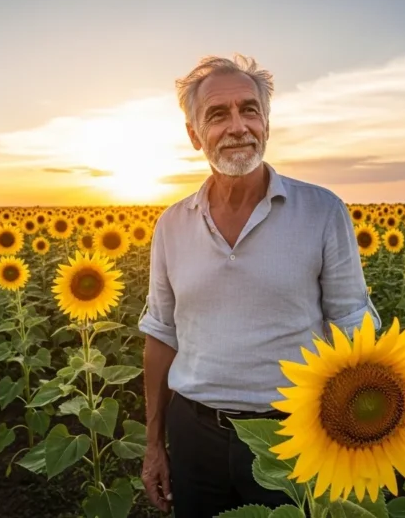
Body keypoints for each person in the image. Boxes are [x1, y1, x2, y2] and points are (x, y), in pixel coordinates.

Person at [139, 54, 380, 517]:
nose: (237, 127)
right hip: (194, 431)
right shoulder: (171, 225)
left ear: (266, 123)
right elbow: (160, 335)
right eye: (217, 115)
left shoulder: (322, 211)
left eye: (249, 110)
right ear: (194, 135)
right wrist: (154, 443)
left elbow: (352, 324)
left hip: (291, 433)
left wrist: (361, 438)